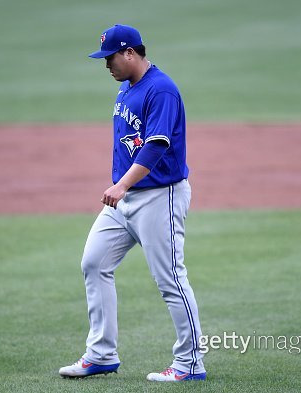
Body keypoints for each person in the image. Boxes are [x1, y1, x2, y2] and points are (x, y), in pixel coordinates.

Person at [59, 24, 206, 382]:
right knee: (94, 263)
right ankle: (101, 354)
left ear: (129, 53)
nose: (106, 65)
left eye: (110, 58)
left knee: (170, 279)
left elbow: (156, 146)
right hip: (126, 198)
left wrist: (122, 185)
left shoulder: (162, 90)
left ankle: (191, 363)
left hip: (159, 196)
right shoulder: (127, 87)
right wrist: (123, 188)